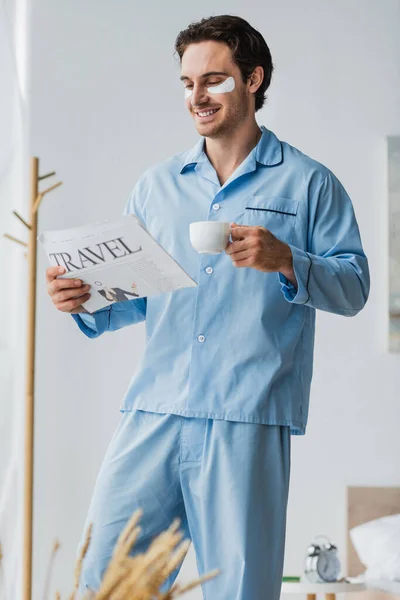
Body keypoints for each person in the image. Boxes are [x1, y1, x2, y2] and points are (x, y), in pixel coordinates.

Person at [45, 14, 370, 600]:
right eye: (187, 82)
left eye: (213, 80)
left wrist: (287, 258)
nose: (196, 95)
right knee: (106, 584)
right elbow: (143, 292)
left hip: (246, 416)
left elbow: (353, 286)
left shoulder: (309, 184)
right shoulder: (157, 186)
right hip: (155, 408)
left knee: (239, 590)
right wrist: (85, 299)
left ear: (253, 80)